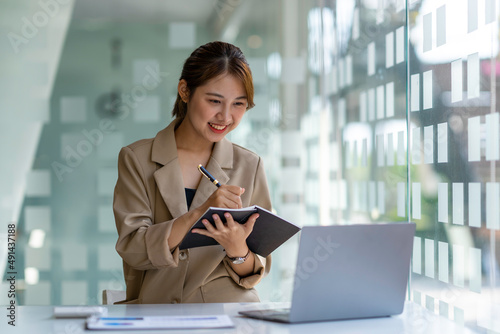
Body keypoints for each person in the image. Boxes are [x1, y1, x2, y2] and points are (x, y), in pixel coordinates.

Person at [113, 41, 272, 304]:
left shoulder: (249, 165)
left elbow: (256, 271)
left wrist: (237, 249)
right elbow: (133, 248)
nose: (225, 116)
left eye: (238, 104)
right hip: (159, 311)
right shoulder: (137, 159)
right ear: (185, 91)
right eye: (214, 101)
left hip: (231, 313)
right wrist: (200, 213)